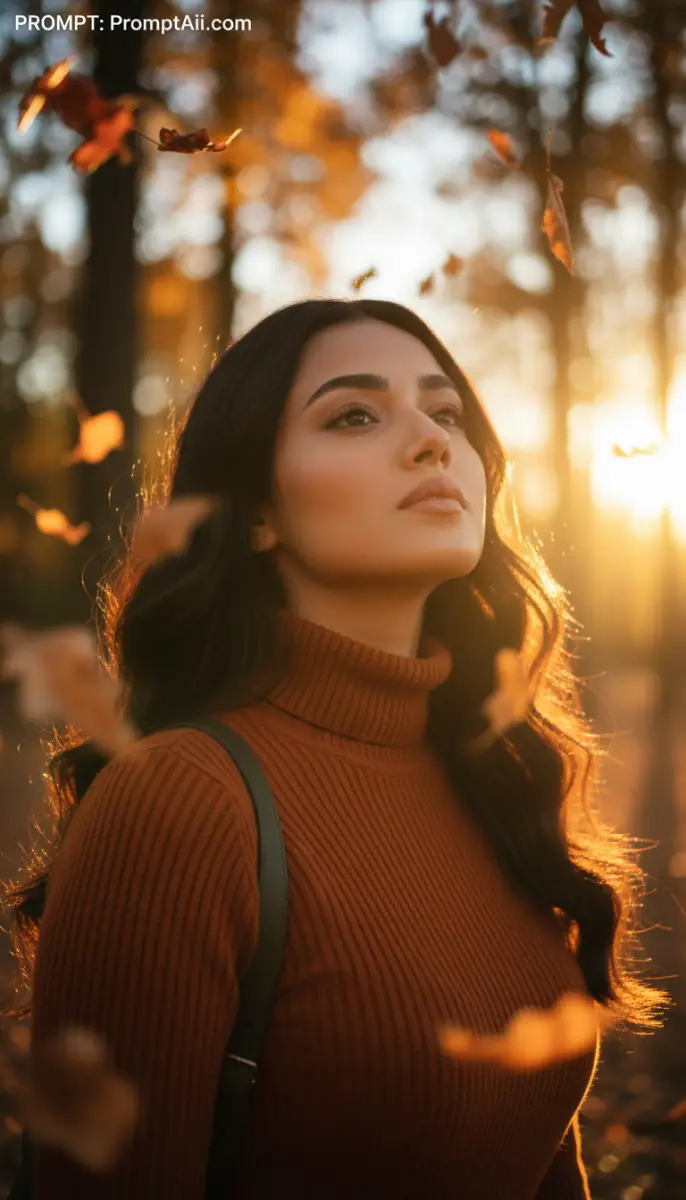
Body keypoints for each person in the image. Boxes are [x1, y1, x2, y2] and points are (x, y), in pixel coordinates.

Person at [2, 298, 668, 1198]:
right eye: (355, 414)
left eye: (447, 413)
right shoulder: (176, 802)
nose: (432, 441)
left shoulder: (491, 775)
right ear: (256, 513)